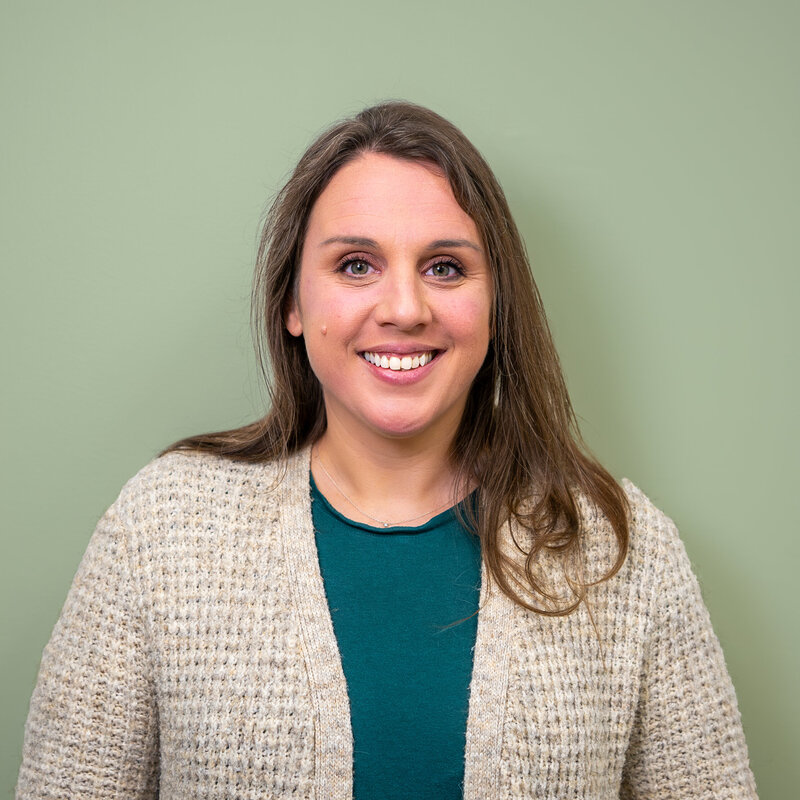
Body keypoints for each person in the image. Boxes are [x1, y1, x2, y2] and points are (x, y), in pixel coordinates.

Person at [16, 102, 757, 799]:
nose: (404, 308)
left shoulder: (624, 552)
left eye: (445, 267)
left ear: (496, 306)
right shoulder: (160, 532)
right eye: (355, 265)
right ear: (293, 306)